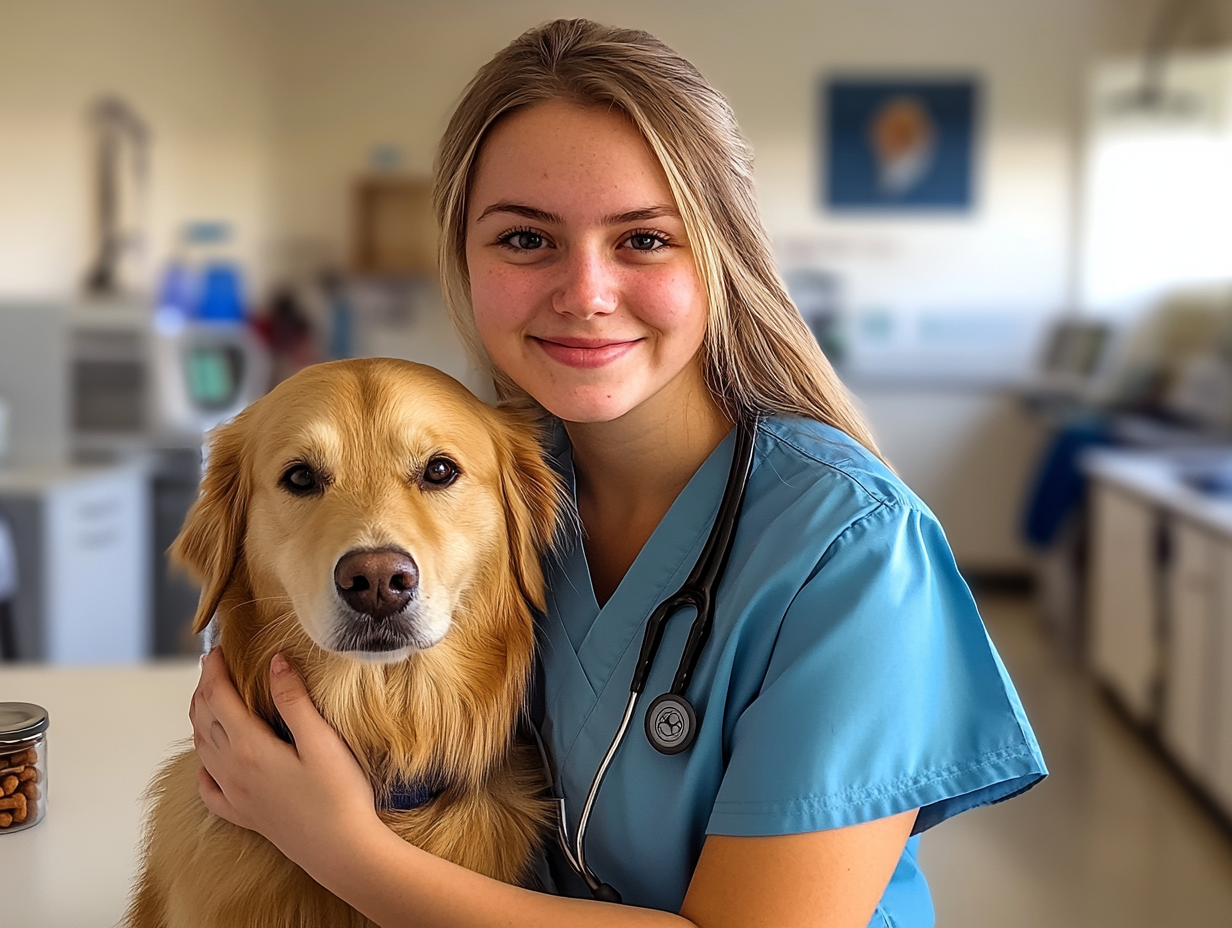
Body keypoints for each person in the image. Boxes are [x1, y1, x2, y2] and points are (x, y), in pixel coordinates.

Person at [189, 19, 1046, 928]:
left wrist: (338, 847)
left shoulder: (854, 554)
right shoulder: (493, 492)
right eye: (525, 239)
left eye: (643, 240)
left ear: (722, 257)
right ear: (466, 259)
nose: (586, 292)